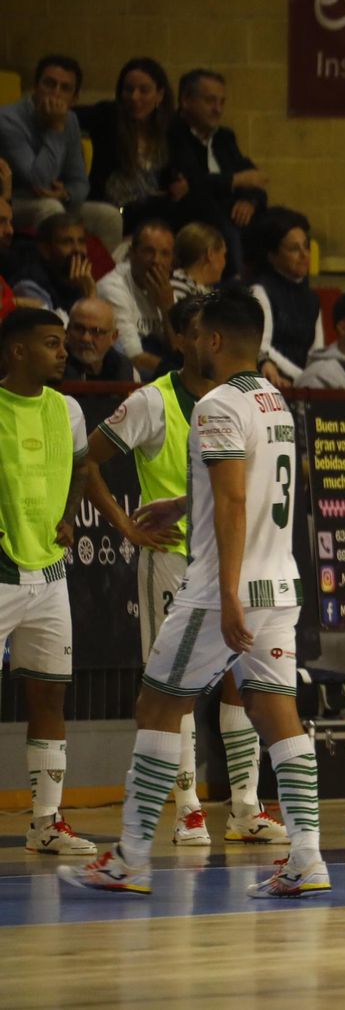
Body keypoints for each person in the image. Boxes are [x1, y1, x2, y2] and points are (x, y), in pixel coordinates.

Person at [58, 287, 330, 898]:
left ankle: (129, 857)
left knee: (157, 707)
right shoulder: (275, 401)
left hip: (217, 589)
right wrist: (184, 503)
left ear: (211, 340)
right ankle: (308, 856)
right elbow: (249, 488)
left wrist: (227, 595)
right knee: (275, 711)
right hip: (279, 584)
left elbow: (234, 500)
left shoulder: (213, 405)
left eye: (196, 332)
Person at [80, 296, 282, 848]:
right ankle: (188, 806)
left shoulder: (243, 401)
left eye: (206, 331)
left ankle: (245, 806)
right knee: (174, 688)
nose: (202, 341)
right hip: (175, 560)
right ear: (184, 339)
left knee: (246, 684)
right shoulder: (153, 400)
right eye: (193, 332)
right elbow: (85, 458)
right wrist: (125, 525)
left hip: (235, 560)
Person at [0, 308, 93, 854]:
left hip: (50, 573)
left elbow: (82, 468)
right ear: (16, 351)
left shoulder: (70, 410)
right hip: (3, 571)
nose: (64, 351)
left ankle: (45, 822)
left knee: (50, 696)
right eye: (51, 343)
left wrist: (69, 513)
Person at [0, 55, 123, 252]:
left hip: (54, 200)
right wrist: (56, 129)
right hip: (13, 202)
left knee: (108, 216)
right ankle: (57, 278)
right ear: (35, 86)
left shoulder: (71, 120)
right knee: (51, 210)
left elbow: (80, 182)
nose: (56, 93)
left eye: (65, 88)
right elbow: (38, 180)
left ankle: (103, 279)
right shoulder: (7, 121)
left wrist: (65, 194)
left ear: (74, 98)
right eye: (49, 84)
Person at [167, 69, 268, 271]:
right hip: (197, 215)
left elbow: (254, 178)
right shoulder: (172, 134)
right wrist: (235, 181)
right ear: (186, 100)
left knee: (283, 226)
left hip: (232, 211)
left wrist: (249, 200)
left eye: (222, 102)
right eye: (210, 101)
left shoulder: (224, 137)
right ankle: (235, 289)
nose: (218, 109)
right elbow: (191, 183)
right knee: (224, 229)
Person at [76, 58, 184, 235]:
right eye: (129, 90)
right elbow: (71, 116)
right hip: (117, 208)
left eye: (144, 90)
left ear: (160, 95)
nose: (135, 97)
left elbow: (186, 168)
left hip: (155, 206)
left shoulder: (171, 128)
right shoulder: (107, 116)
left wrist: (183, 183)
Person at [248, 207, 322, 384]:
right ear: (272, 256)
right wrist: (302, 378)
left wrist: (312, 378)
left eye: (306, 246)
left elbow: (316, 352)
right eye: (294, 249)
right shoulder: (261, 291)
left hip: (304, 384)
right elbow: (261, 346)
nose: (304, 255)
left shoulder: (312, 298)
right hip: (272, 380)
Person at [95, 219, 176, 377]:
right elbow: (134, 358)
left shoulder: (166, 289)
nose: (156, 261)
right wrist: (185, 375)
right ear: (132, 253)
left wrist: (168, 309)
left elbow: (179, 350)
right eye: (148, 251)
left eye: (164, 254)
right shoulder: (113, 288)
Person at [10, 212, 98, 314]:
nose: (77, 249)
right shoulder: (28, 286)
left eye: (81, 241)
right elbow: (56, 329)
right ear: (44, 249)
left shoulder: (80, 281)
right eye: (66, 242)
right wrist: (91, 295)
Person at [62, 296, 136, 381]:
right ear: (67, 331)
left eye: (96, 331)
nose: (86, 338)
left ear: (113, 337)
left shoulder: (122, 367)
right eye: (78, 329)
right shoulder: (54, 367)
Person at [170, 221, 228, 302]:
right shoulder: (177, 290)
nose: (224, 263)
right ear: (210, 254)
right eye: (223, 255)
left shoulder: (208, 293)